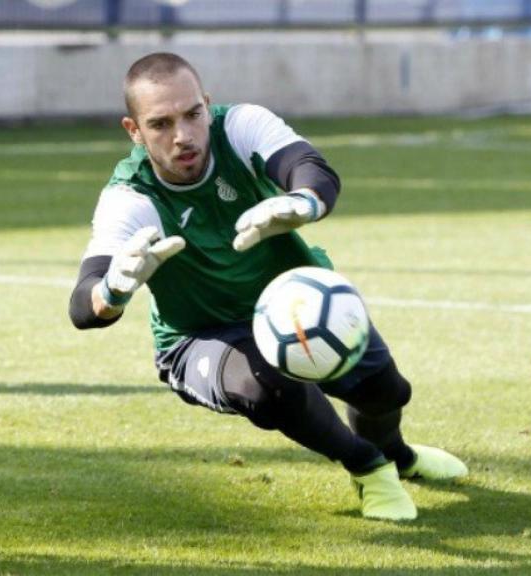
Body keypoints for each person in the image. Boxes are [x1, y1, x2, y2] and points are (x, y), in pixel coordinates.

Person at [69, 52, 466, 520]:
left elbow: (312, 169)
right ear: (133, 131)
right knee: (267, 390)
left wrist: (302, 202)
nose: (183, 136)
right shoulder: (131, 197)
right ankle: (368, 467)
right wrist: (113, 288)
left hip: (291, 305)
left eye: (193, 114)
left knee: (387, 392)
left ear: (207, 104)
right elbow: (83, 306)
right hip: (200, 336)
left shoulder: (239, 126)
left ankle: (399, 458)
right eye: (160, 124)